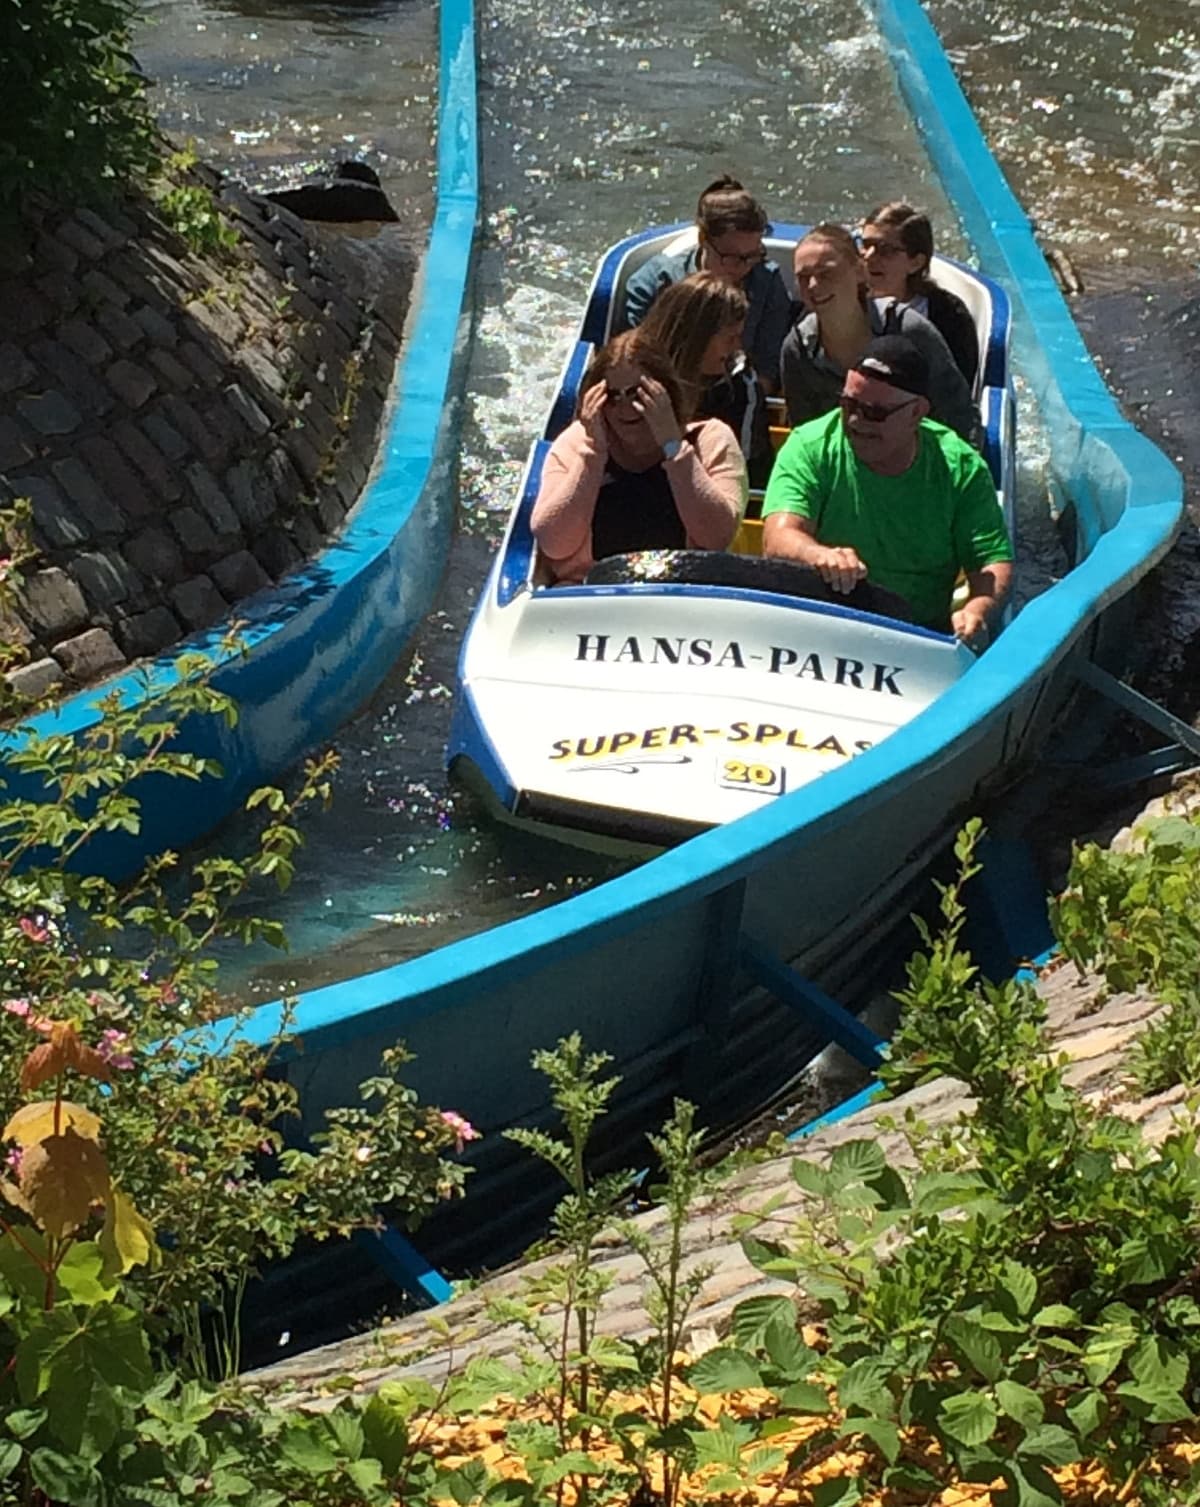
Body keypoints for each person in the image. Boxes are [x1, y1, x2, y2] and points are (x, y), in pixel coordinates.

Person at [762, 335, 1012, 646]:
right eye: (848, 404)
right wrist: (818, 554)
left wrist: (978, 609)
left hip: (916, 639)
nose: (856, 420)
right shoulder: (810, 445)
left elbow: (991, 561)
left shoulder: (961, 469)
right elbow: (778, 536)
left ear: (916, 413)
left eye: (875, 412)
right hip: (818, 628)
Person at [531, 331, 747, 585]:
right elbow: (554, 543)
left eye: (637, 394)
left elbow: (717, 537)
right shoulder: (576, 443)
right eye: (612, 396)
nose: (625, 408)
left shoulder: (710, 439)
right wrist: (593, 455)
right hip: (590, 600)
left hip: (680, 600)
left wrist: (674, 448)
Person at [780, 224, 980, 447]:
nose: (813, 286)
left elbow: (959, 414)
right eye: (803, 277)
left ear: (858, 271)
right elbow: (805, 435)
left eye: (826, 273)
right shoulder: (798, 348)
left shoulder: (908, 330)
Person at [615, 176, 793, 393]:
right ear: (703, 240)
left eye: (753, 256)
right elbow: (636, 360)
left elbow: (767, 366)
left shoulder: (768, 281)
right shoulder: (653, 282)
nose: (743, 268)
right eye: (731, 257)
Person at [637, 272, 773, 488]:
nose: (737, 347)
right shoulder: (634, 378)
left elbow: (740, 473)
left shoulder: (741, 387)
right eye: (730, 338)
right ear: (696, 337)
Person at [861, 201, 979, 387]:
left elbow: (957, 388)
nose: (869, 256)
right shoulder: (846, 300)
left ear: (915, 263)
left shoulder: (948, 316)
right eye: (866, 245)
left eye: (886, 250)